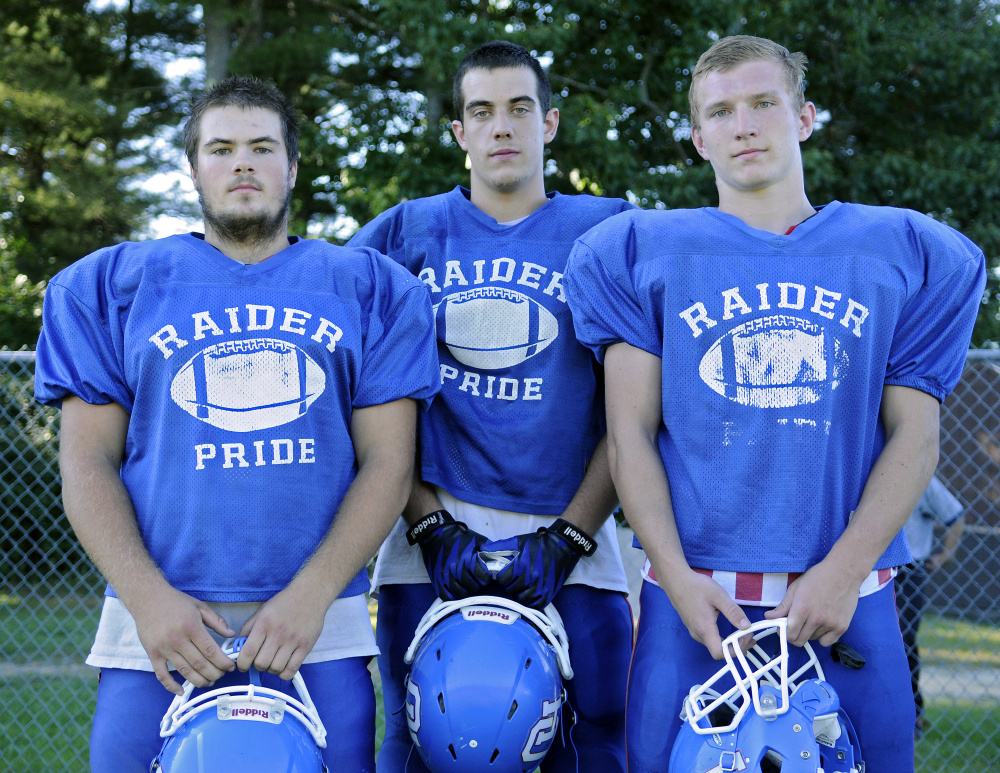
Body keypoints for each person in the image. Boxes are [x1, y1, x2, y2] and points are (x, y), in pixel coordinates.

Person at [563, 35, 985, 773]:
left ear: (805, 117)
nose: (745, 124)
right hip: (696, 604)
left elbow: (914, 438)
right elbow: (629, 434)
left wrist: (844, 570)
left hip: (849, 599)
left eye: (764, 103)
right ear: (698, 138)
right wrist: (677, 578)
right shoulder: (644, 251)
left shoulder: (900, 250)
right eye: (721, 111)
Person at [33, 75, 440, 773]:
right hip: (157, 629)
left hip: (318, 626)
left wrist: (309, 597)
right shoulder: (112, 286)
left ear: (293, 164)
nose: (242, 163)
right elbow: (86, 463)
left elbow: (388, 464)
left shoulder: (369, 287)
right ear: (192, 168)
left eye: (262, 146)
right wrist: (149, 599)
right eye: (221, 148)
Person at [348, 41, 635, 772]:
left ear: (551, 123)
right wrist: (429, 523)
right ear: (458, 132)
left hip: (571, 518)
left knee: (597, 730)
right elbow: (367, 405)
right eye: (482, 111)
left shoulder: (609, 231)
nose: (501, 126)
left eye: (519, 108)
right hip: (430, 524)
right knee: (420, 738)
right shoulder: (403, 234)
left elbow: (636, 410)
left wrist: (570, 536)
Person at [897, 475, 966, 739]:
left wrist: (946, 556)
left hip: (908, 571)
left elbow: (955, 515)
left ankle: (912, 715)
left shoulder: (921, 475)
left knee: (904, 639)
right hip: (867, 569)